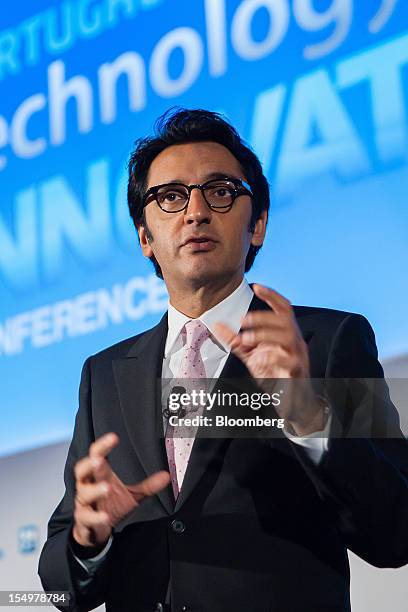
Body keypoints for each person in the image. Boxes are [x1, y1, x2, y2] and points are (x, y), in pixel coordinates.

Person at [39, 108, 408, 612]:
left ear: (257, 225)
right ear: (145, 238)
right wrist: (88, 539)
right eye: (170, 197)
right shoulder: (104, 375)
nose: (195, 212)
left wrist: (309, 418)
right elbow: (62, 592)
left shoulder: (327, 340)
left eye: (220, 191)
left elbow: (395, 533)